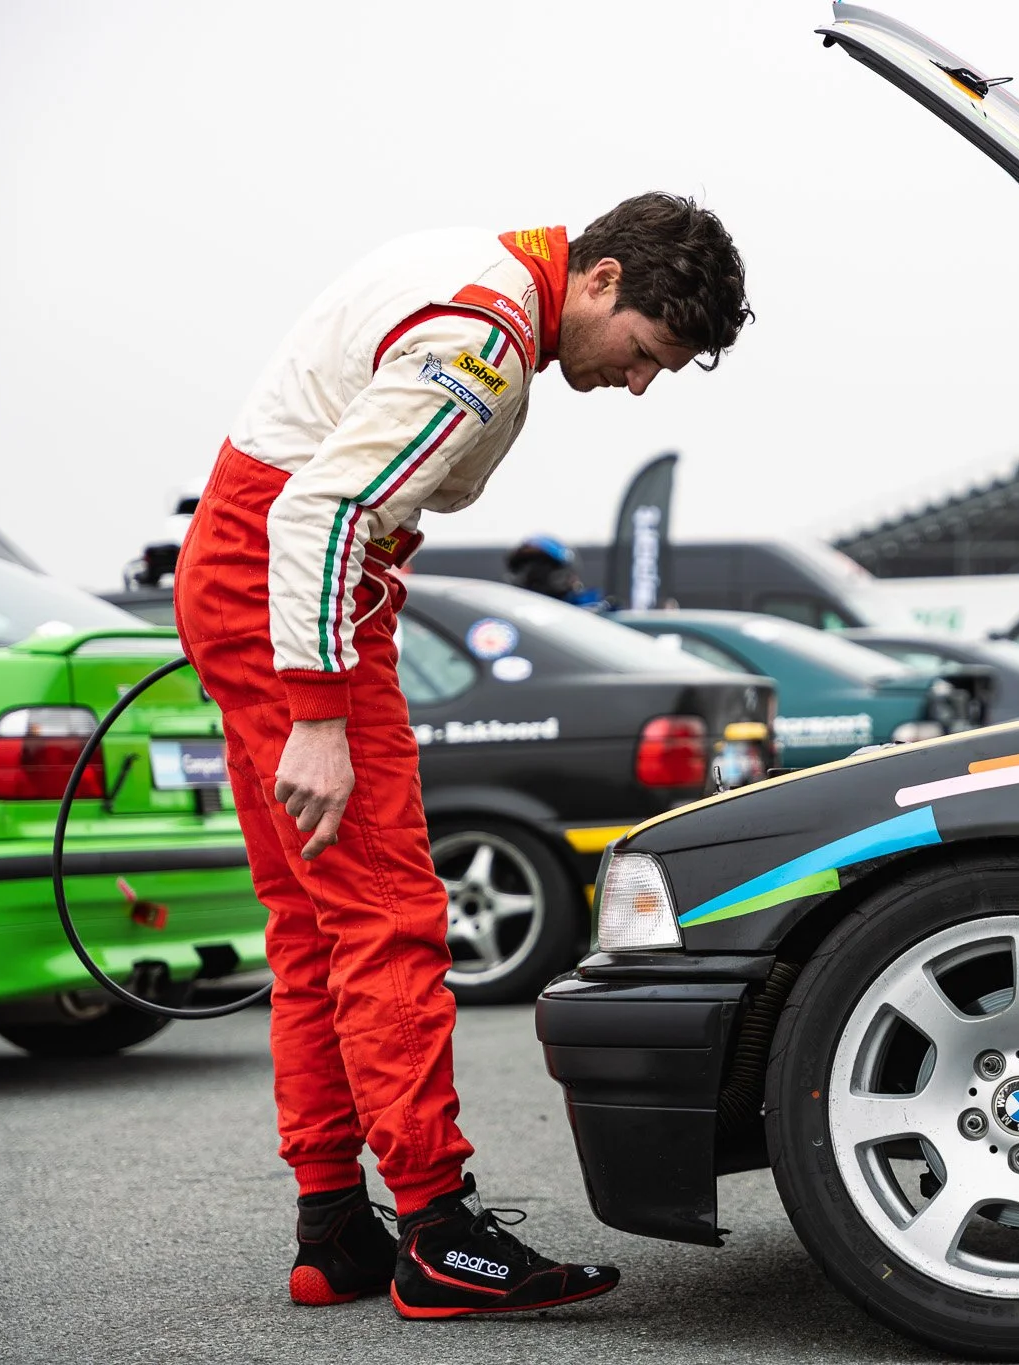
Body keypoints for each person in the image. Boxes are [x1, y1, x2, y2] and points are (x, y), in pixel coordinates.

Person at [172, 195, 751, 1318]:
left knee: (314, 926)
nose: (636, 386)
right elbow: (320, 514)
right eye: (643, 354)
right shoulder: (480, 340)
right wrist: (320, 712)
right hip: (294, 593)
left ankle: (333, 1226)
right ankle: (439, 1235)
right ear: (601, 279)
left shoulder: (469, 273)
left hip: (247, 583)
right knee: (387, 917)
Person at [505, 534, 604, 607]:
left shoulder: (593, 614)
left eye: (545, 565)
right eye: (523, 567)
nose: (533, 576)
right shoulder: (509, 620)